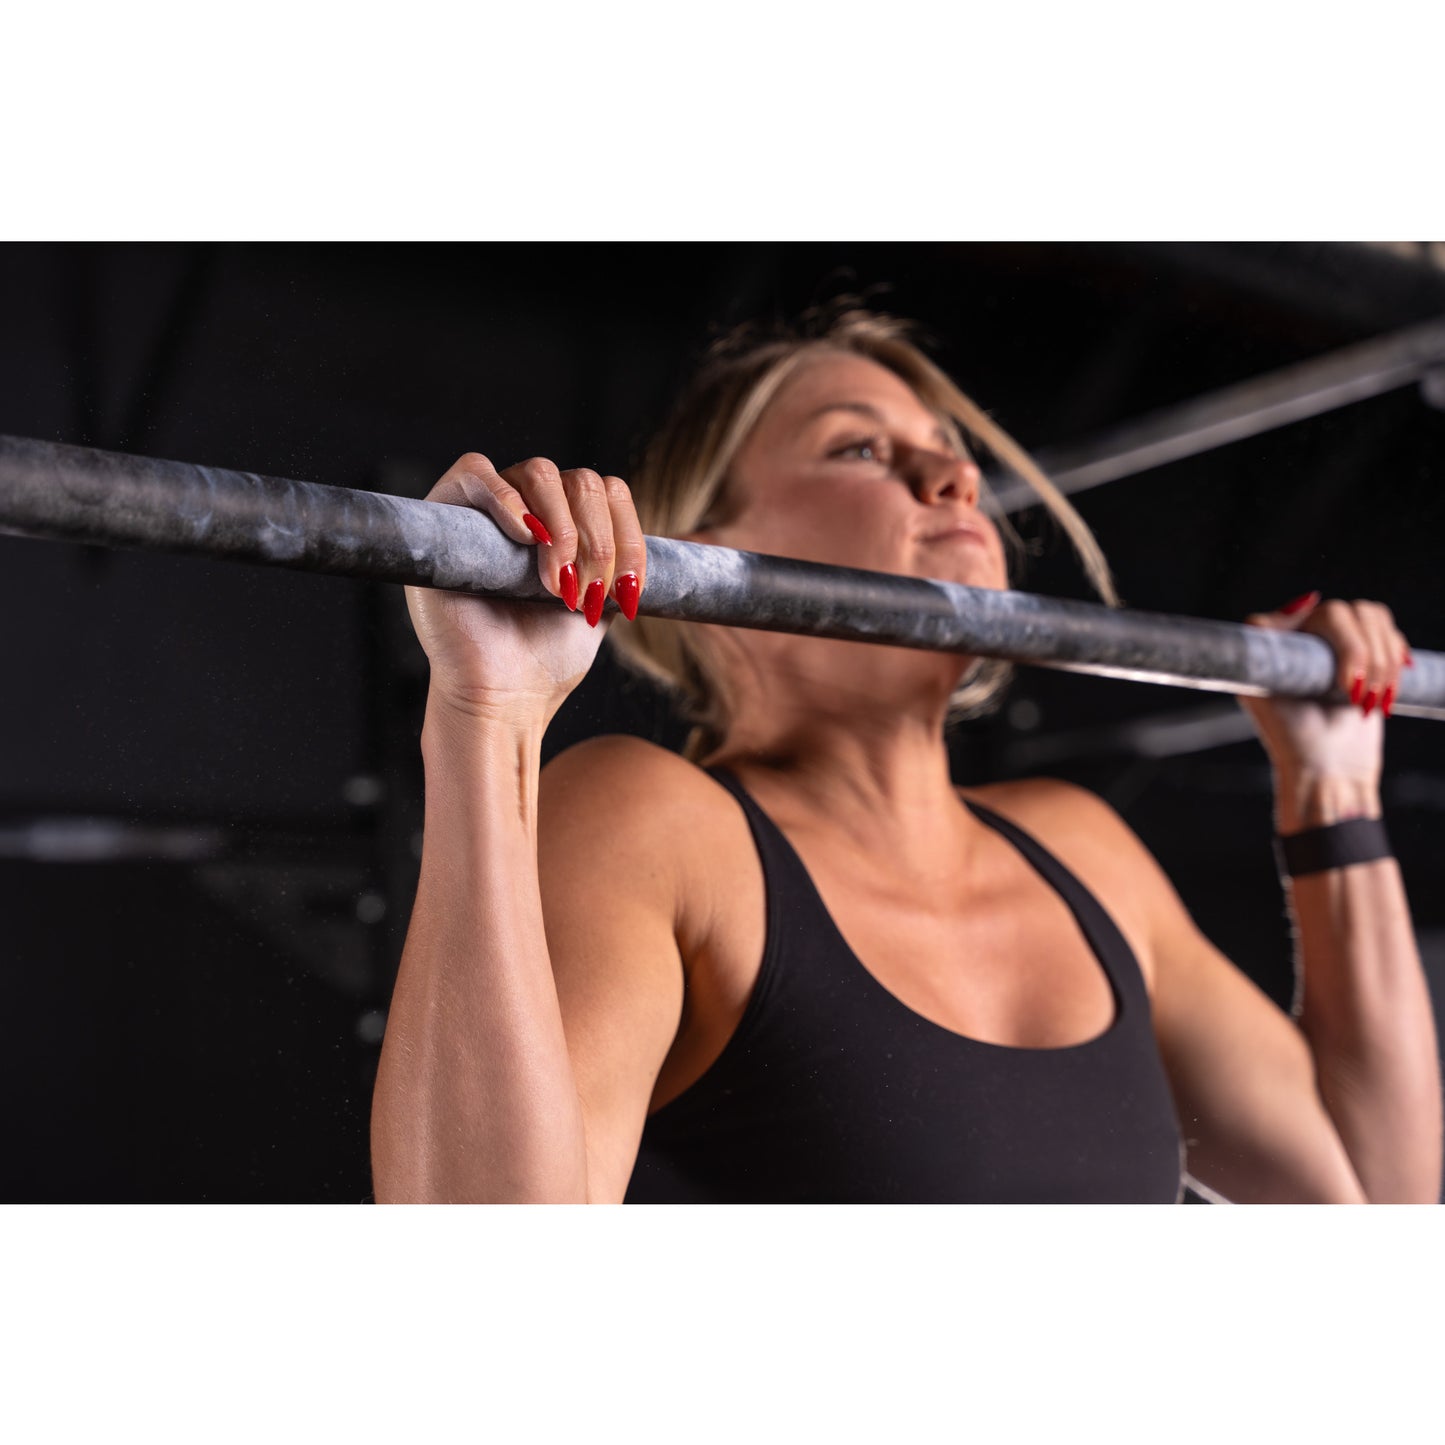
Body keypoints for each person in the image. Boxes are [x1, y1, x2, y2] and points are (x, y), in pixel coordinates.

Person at [370, 306, 1442, 1203]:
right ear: (706, 543)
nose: (952, 475)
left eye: (947, 449)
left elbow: (1369, 1197)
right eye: (860, 448)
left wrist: (1333, 784)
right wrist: (487, 711)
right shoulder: (659, 824)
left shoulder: (1085, 851)